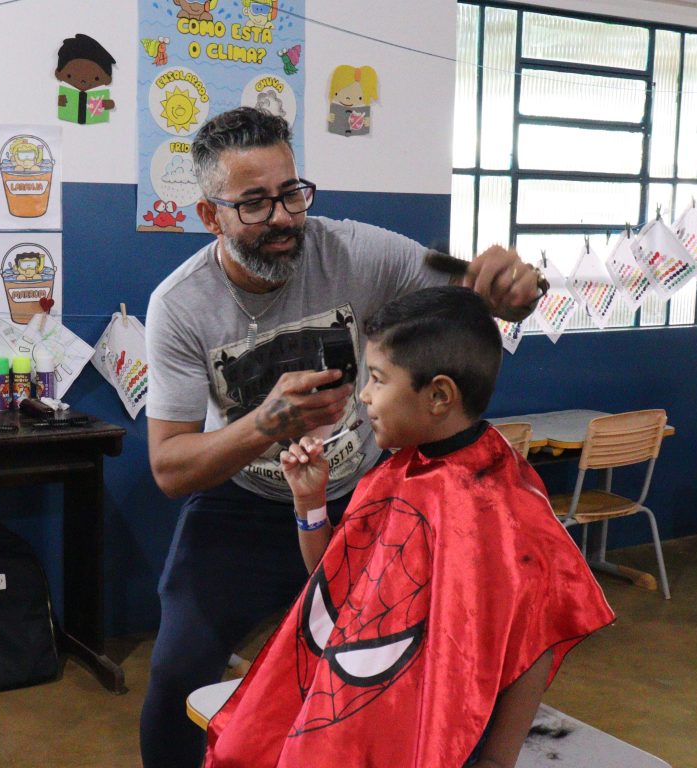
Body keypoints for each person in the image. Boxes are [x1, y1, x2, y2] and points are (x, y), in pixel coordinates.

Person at [141, 106, 548, 768]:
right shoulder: (180, 306)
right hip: (241, 507)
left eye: (292, 193)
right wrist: (267, 422)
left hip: (365, 502)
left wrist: (516, 288)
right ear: (210, 216)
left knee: (395, 669)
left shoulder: (358, 252)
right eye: (254, 204)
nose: (283, 218)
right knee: (177, 673)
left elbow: (477, 291)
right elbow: (169, 466)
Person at [205, 286, 615, 768]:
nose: (364, 395)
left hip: (435, 730)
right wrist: (310, 502)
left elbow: (535, 637)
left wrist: (498, 759)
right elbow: (335, 583)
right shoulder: (399, 470)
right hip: (358, 709)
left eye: (378, 379)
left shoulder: (502, 506)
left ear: (439, 395)